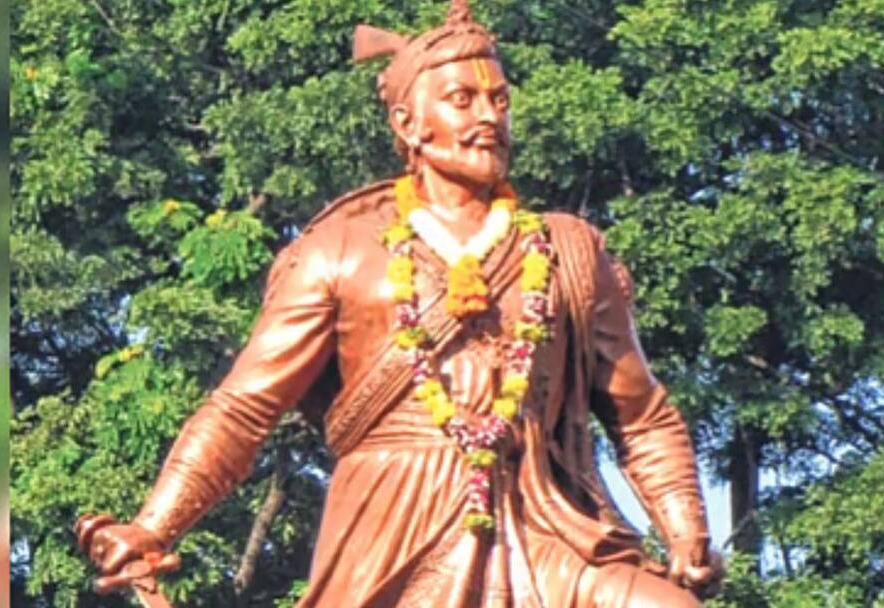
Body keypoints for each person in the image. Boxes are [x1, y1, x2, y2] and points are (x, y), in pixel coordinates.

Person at [77, 2, 719, 605]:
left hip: (545, 520)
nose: (489, 117)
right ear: (407, 124)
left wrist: (686, 530)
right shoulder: (339, 249)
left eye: (499, 100)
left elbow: (641, 414)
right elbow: (245, 407)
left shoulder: (567, 249)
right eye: (462, 100)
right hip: (392, 527)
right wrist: (154, 527)